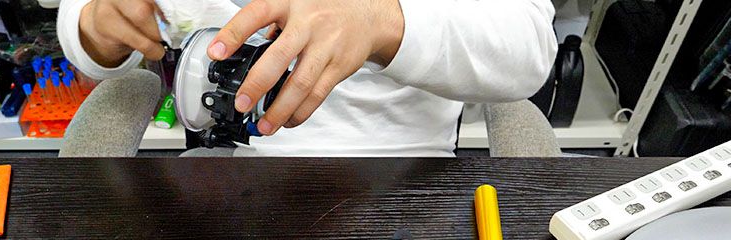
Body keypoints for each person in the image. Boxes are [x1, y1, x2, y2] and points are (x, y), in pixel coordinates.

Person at [58, 0, 557, 156]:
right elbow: (83, 31)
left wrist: (382, 22)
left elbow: (530, 45)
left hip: (405, 172)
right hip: (237, 173)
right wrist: (96, 25)